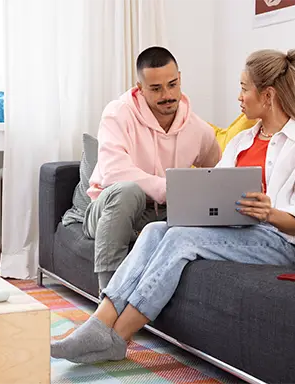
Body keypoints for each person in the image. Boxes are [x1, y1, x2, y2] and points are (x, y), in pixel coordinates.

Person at [51, 48, 295, 364]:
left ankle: (118, 337)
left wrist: (269, 212)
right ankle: (99, 324)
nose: (239, 97)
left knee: (180, 237)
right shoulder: (242, 143)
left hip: (277, 242)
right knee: (156, 230)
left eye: (244, 88)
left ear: (267, 95)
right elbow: (218, 192)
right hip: (237, 230)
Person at [81, 47, 221, 291]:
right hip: (108, 210)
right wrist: (169, 189)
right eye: (156, 89)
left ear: (180, 78)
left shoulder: (199, 130)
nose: (167, 95)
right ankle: (109, 296)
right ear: (140, 87)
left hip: (162, 214)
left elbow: (217, 175)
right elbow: (114, 172)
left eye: (172, 84)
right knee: (128, 191)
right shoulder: (117, 113)